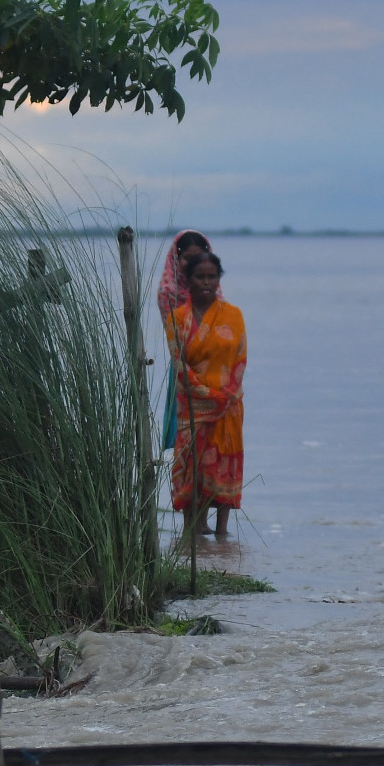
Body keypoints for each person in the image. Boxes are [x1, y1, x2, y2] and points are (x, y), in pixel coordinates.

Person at [167, 250, 245, 538]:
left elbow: (240, 359)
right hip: (193, 405)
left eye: (212, 276)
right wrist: (206, 394)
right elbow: (179, 364)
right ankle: (193, 527)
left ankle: (223, 532)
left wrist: (226, 395)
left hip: (228, 405)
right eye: (200, 276)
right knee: (192, 467)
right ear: (188, 280)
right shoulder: (177, 319)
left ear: (219, 279)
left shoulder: (234, 315)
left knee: (224, 465)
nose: (206, 282)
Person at [157, 230, 216, 452]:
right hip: (184, 365)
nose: (195, 264)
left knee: (212, 440)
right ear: (177, 258)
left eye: (200, 257)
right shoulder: (168, 292)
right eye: (188, 258)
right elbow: (176, 336)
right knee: (186, 438)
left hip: (215, 367)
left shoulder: (211, 289)